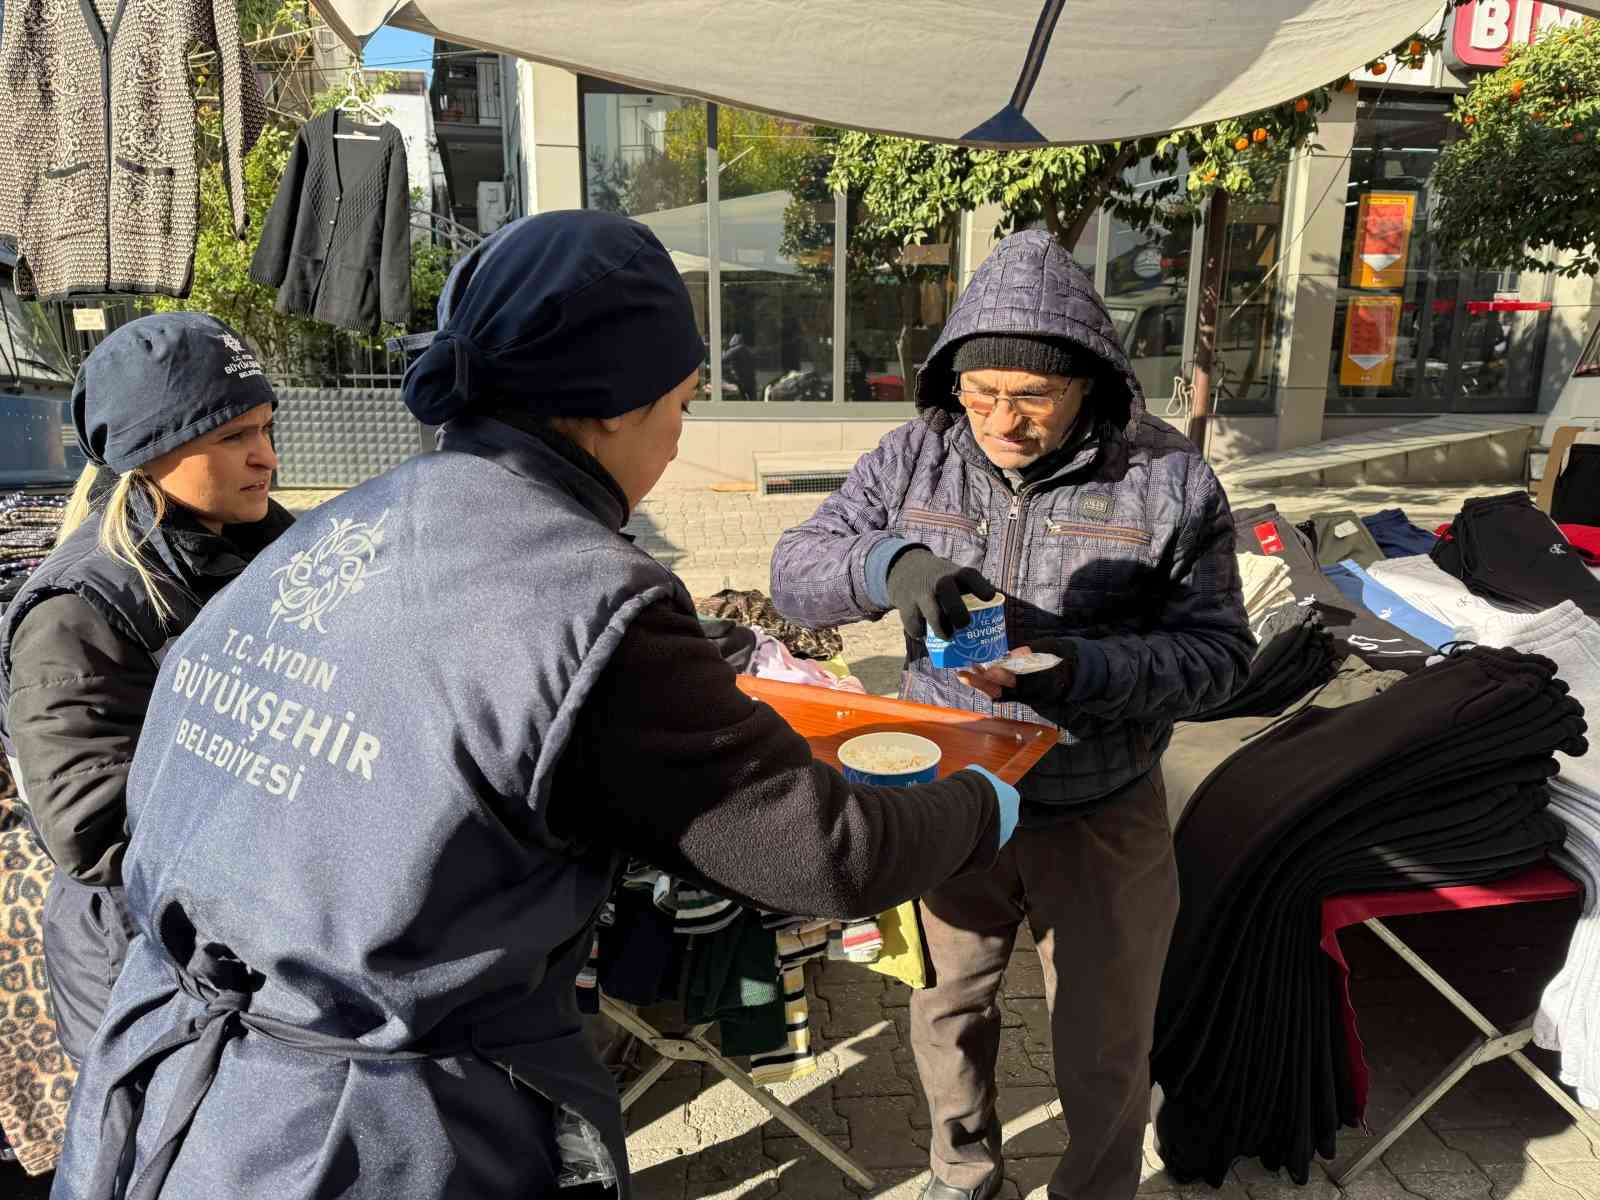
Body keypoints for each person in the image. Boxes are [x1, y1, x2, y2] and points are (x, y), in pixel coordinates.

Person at [49, 210, 1021, 1200]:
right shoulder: (590, 598)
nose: (678, 444)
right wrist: (983, 801)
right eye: (679, 407)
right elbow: (827, 852)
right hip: (370, 1139)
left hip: (167, 1089)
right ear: (607, 408)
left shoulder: (341, 526)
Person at [770, 228, 1251, 1200]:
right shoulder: (913, 457)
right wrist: (889, 567)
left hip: (1102, 807)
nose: (1002, 421)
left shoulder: (1168, 479)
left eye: (1031, 396)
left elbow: (1221, 659)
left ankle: (1096, 1188)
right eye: (980, 393)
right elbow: (795, 569)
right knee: (946, 1006)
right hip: (950, 797)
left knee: (1104, 1040)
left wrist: (1083, 668)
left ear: (1091, 384)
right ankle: (961, 1171)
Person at [0, 312, 292, 1066]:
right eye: (232, 437)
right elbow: (90, 830)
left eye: (266, 428)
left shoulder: (272, 550)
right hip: (149, 971)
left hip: (251, 944)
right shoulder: (79, 608)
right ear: (149, 451)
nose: (265, 457)